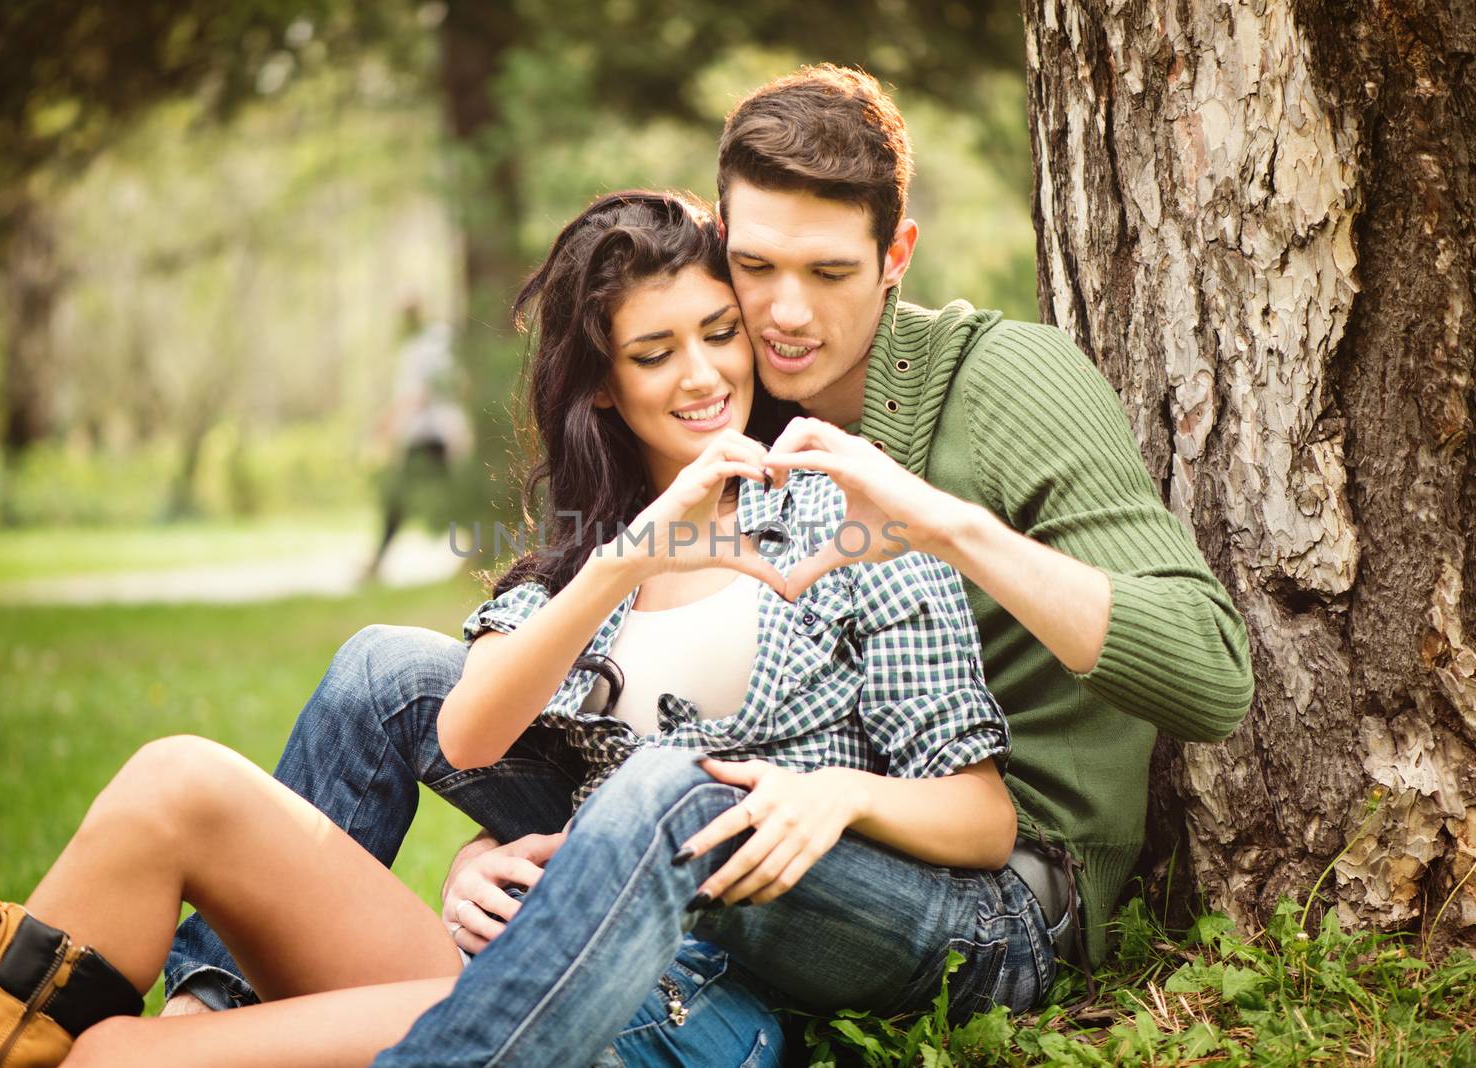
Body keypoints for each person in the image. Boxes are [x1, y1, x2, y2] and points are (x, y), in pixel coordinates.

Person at [168, 63, 1255, 1058]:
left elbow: (1210, 679)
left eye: (830, 271)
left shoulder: (1006, 381)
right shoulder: (733, 395)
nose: (784, 315)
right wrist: (499, 861)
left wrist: (946, 524)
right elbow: (667, 703)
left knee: (681, 797)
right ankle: (196, 1008)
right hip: (744, 814)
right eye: (755, 269)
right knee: (385, 676)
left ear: (896, 256)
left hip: (990, 877)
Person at [0, 191, 1023, 1068]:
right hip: (530, 955)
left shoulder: (848, 517)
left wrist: (836, 795)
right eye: (653, 353)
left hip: (684, 1005)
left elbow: (982, 818)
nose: (702, 375)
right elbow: (473, 732)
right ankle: (208, 1000)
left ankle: (198, 1032)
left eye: (719, 333)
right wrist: (639, 549)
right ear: (600, 389)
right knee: (173, 779)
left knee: (116, 1056)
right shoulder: (587, 556)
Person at [362, 299, 474, 582]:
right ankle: (473, 552)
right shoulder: (432, 344)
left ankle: (378, 561)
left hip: (430, 435)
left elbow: (417, 394)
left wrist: (387, 426)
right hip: (434, 434)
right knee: (446, 498)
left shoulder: (425, 347)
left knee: (403, 497)